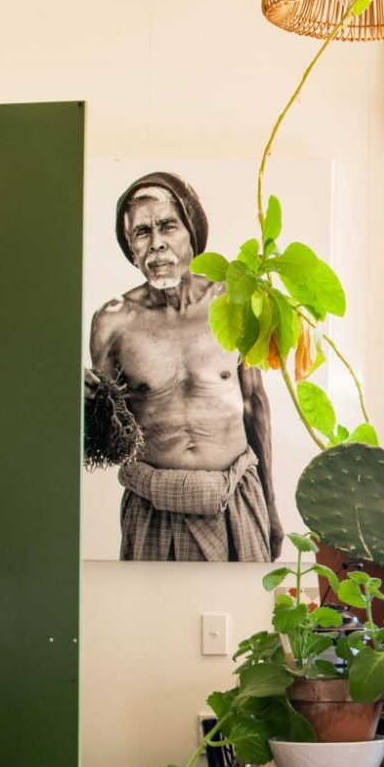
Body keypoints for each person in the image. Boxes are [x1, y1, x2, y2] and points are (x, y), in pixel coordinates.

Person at [87, 171, 282, 563]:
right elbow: (109, 436)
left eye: (167, 226)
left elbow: (254, 405)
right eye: (141, 233)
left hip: (234, 503)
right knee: (152, 621)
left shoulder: (232, 304)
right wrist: (89, 406)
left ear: (190, 232)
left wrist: (272, 506)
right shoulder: (113, 323)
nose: (157, 243)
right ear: (131, 248)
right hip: (154, 511)